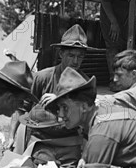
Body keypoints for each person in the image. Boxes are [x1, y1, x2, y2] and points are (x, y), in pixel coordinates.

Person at [11, 24, 90, 153]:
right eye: (71, 55)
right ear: (61, 54)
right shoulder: (42, 77)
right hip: (40, 140)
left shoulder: (85, 83)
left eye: (80, 56)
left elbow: (87, 120)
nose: (76, 61)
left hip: (70, 142)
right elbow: (21, 108)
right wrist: (12, 137)